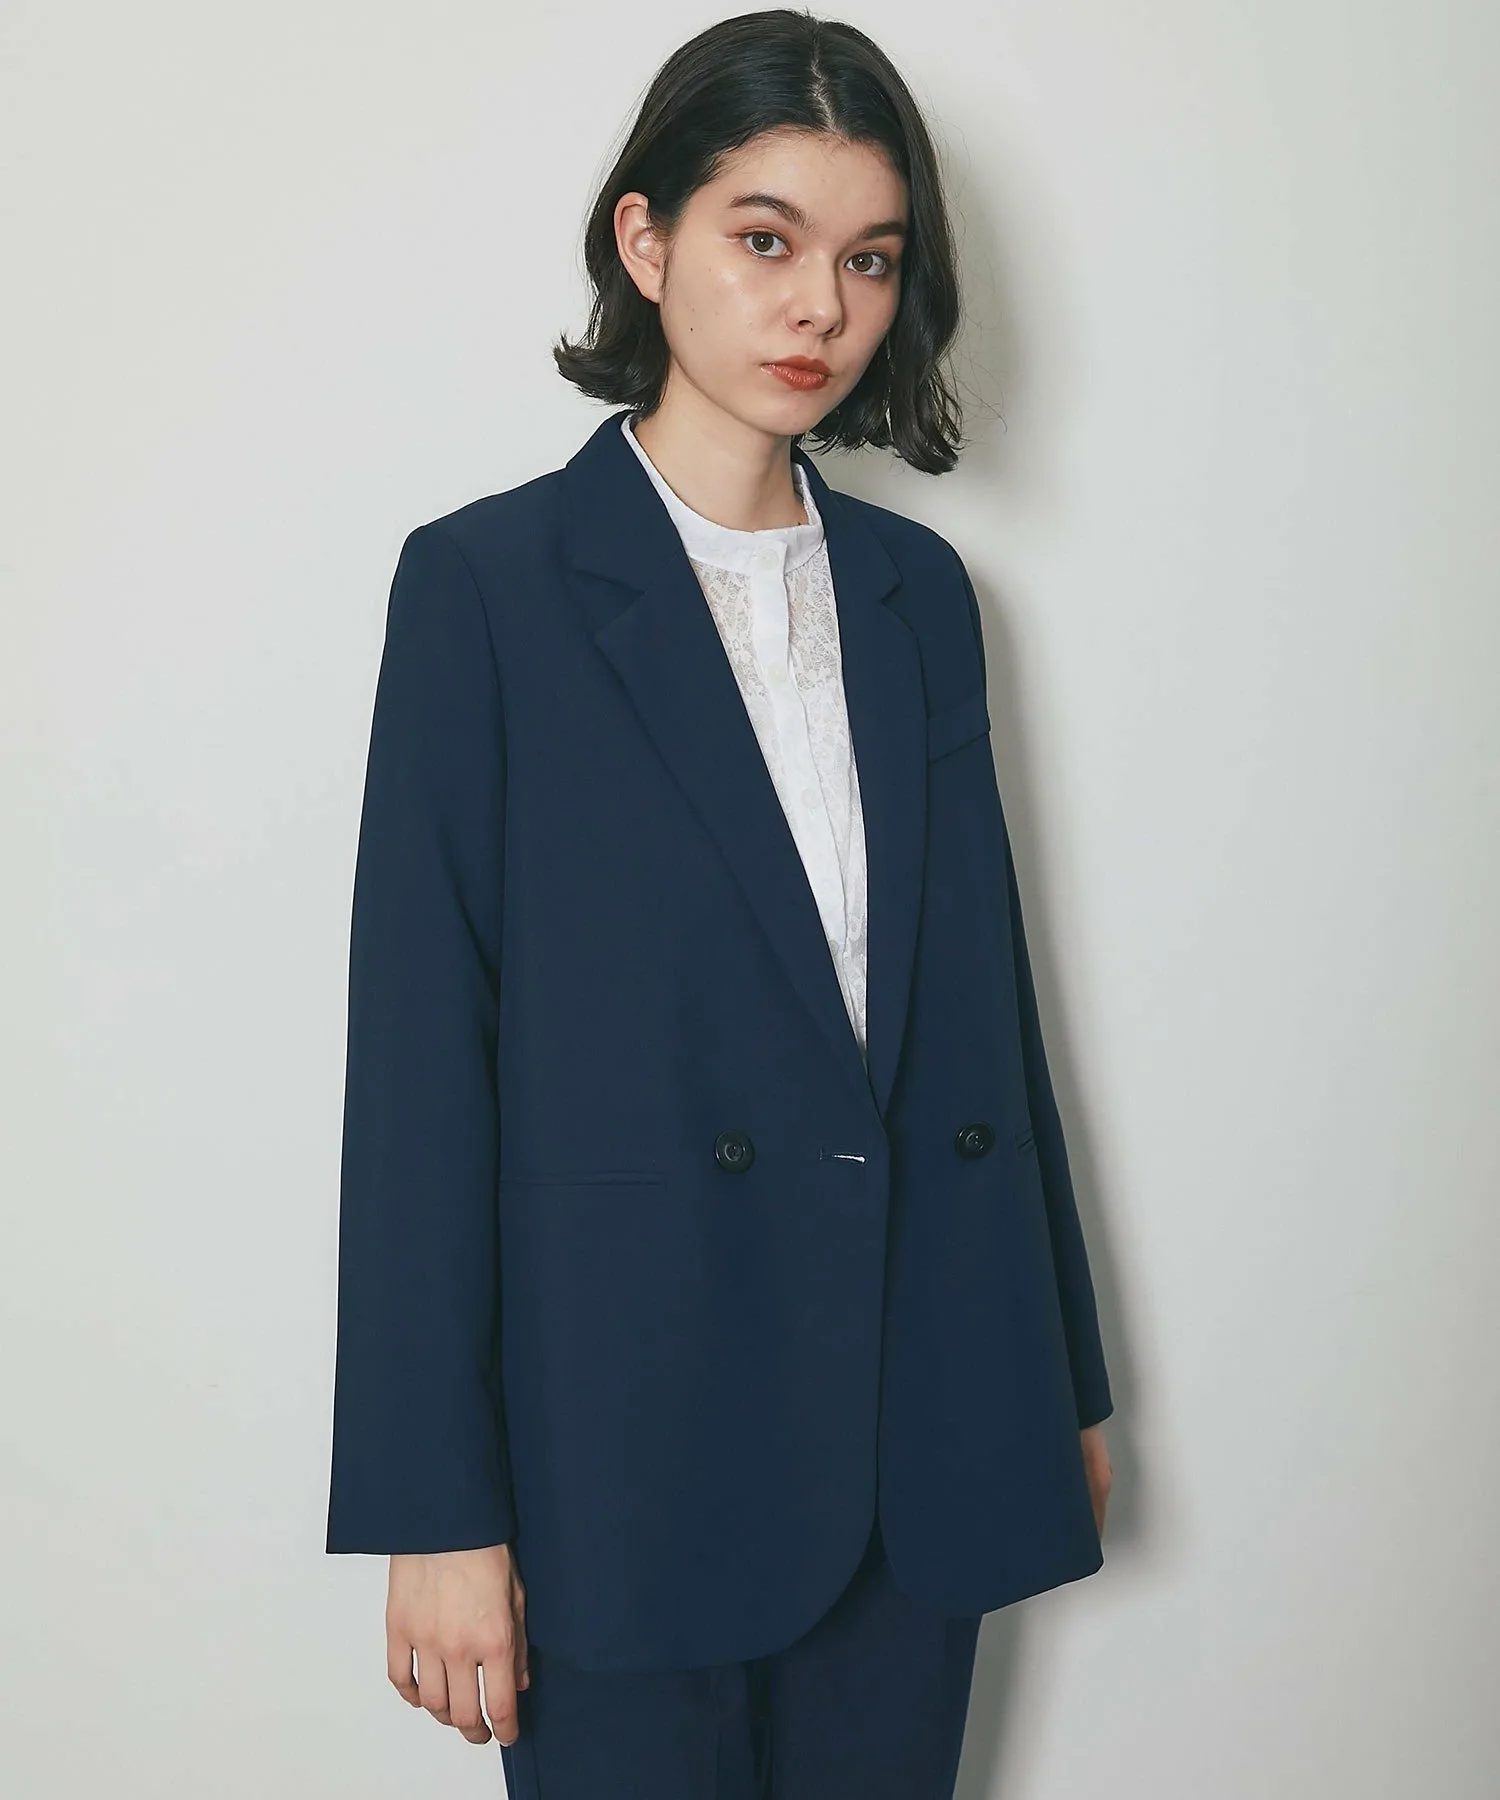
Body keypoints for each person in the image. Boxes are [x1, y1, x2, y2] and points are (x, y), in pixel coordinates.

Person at [325, 9, 1114, 1795]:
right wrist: (435, 1509)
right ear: (645, 238)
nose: (818, 305)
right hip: (623, 1443)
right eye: (766, 238)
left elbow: (984, 1021)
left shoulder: (920, 596)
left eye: (868, 259)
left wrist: (1049, 1377)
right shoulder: (488, 590)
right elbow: (422, 1071)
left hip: (922, 1428)